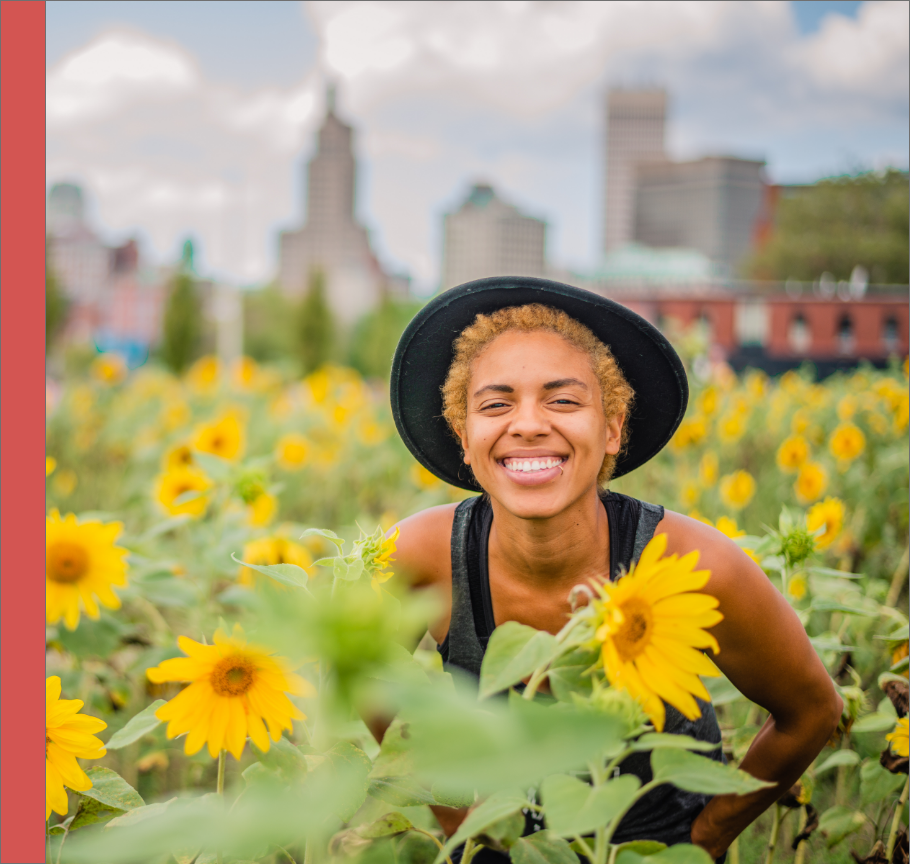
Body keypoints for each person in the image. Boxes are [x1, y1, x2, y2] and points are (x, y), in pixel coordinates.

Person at [383, 276, 842, 862]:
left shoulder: (689, 563)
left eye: (564, 400)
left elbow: (812, 710)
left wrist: (706, 838)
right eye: (496, 404)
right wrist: (453, 819)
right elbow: (368, 679)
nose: (527, 424)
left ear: (612, 428)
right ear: (464, 437)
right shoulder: (423, 556)